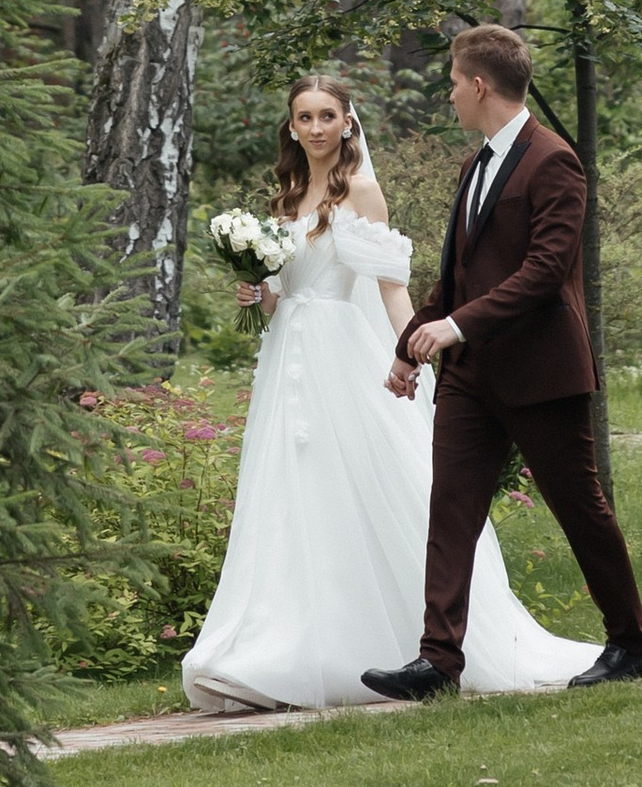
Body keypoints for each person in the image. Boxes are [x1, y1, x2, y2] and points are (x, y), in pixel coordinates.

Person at [180, 71, 595, 713]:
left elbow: (389, 286)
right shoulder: (287, 195)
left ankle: (391, 642)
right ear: (291, 126)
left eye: (327, 116)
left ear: (348, 122)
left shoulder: (361, 191)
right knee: (291, 492)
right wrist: (256, 291)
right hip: (288, 359)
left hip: (341, 357)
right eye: (304, 117)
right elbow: (281, 298)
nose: (316, 128)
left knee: (360, 486)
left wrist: (422, 350)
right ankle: (278, 644)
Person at [361, 21, 642, 702]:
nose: (449, 95)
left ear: (478, 84)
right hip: (471, 379)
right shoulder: (476, 165)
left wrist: (457, 327)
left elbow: (546, 271)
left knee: (580, 509)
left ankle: (632, 645)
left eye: (452, 84)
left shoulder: (553, 160)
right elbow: (459, 277)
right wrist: (410, 347)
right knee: (451, 511)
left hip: (541, 375)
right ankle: (438, 662)